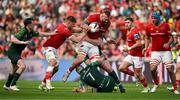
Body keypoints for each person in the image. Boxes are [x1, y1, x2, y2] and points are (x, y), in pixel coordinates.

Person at [62, 9, 125, 93]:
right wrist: (87, 27)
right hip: (85, 42)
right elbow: (82, 24)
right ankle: (68, 73)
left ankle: (118, 85)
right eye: (102, 17)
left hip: (95, 45)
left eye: (106, 18)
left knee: (101, 66)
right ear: (100, 14)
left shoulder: (107, 23)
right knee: (82, 61)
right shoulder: (93, 17)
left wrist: (109, 39)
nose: (104, 19)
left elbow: (103, 33)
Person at [3, 18, 57, 91]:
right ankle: (13, 85)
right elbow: (13, 39)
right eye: (32, 23)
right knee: (22, 66)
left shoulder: (31, 32)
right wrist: (22, 42)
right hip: (13, 52)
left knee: (14, 69)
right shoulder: (23, 31)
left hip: (17, 52)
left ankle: (7, 85)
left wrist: (52, 33)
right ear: (28, 25)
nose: (34, 24)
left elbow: (41, 34)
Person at [38, 16, 83, 90]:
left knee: (56, 68)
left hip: (53, 48)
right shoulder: (64, 29)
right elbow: (76, 40)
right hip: (48, 47)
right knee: (53, 62)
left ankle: (43, 83)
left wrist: (86, 28)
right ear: (69, 22)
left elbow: (77, 30)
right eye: (73, 24)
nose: (73, 26)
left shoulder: (66, 27)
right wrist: (85, 33)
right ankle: (48, 84)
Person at [142, 12, 179, 94]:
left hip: (166, 51)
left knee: (170, 69)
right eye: (152, 18)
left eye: (154, 18)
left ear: (158, 18)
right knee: (152, 69)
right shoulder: (148, 27)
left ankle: (175, 88)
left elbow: (171, 38)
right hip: (155, 51)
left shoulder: (166, 26)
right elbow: (147, 38)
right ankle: (156, 84)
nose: (153, 19)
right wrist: (146, 47)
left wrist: (168, 44)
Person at [118, 17, 150, 93]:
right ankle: (135, 75)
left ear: (132, 23)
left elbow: (139, 43)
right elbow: (131, 43)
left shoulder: (135, 32)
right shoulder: (128, 31)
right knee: (121, 68)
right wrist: (127, 48)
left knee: (139, 73)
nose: (126, 24)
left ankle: (146, 88)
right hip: (131, 54)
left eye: (128, 22)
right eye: (125, 22)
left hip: (138, 56)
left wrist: (129, 48)